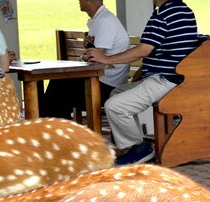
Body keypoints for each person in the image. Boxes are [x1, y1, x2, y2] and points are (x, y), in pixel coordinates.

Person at [86, 0, 200, 165]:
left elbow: (144, 50)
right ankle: (136, 145)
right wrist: (144, 70)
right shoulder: (181, 10)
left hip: (165, 79)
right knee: (117, 93)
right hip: (169, 76)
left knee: (115, 106)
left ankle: (139, 148)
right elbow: (162, 49)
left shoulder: (165, 13)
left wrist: (106, 58)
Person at [39, 0, 130, 118]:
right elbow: (94, 54)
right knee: (59, 86)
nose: (78, 1)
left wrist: (84, 57)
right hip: (102, 80)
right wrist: (88, 47)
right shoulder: (99, 19)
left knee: (59, 88)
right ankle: (54, 127)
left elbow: (96, 59)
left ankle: (52, 128)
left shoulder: (104, 21)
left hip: (107, 86)